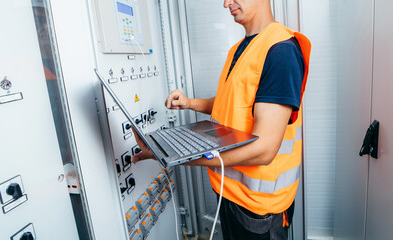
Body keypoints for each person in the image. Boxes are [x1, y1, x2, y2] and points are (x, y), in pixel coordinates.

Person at [132, 0, 311, 239]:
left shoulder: (281, 51)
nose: (226, 3)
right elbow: (234, 101)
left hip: (258, 210)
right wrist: (190, 102)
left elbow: (264, 150)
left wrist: (174, 158)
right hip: (229, 194)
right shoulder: (239, 49)